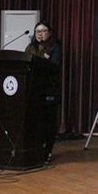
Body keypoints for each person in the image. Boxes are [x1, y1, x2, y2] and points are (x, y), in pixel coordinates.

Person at [25, 21, 62, 164]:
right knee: (35, 122)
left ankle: (48, 151)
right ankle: (35, 149)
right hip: (32, 91)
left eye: (43, 31)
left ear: (50, 33)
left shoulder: (54, 47)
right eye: (37, 31)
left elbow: (55, 67)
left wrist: (41, 61)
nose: (40, 34)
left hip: (48, 89)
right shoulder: (30, 47)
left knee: (49, 122)